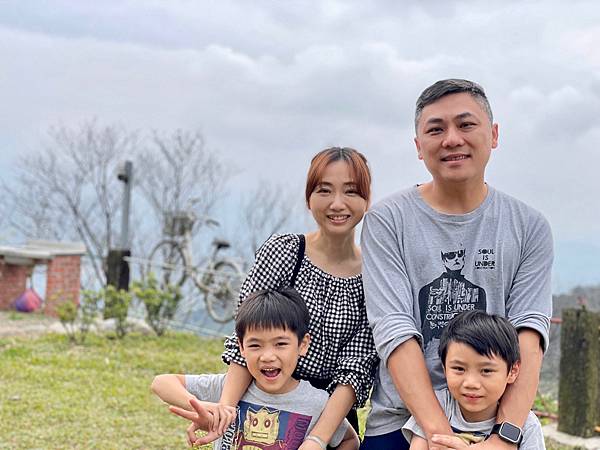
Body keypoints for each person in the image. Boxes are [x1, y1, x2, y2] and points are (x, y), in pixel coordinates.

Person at [360, 79, 553, 450]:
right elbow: (394, 329)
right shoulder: (388, 220)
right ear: (419, 147)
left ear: (493, 135)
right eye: (436, 129)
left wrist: (505, 437)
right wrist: (438, 434)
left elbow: (529, 332)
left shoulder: (528, 227)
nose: (451, 139)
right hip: (401, 421)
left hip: (494, 421)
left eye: (466, 125)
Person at [217, 147, 378, 449]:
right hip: (263, 399)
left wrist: (317, 439)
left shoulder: (374, 275)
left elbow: (355, 369)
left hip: (329, 415)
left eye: (351, 192)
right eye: (324, 190)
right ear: (308, 199)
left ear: (366, 200)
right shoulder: (285, 253)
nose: (337, 203)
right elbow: (246, 336)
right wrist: (226, 406)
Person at [151, 288, 359, 450]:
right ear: (240, 347)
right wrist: (205, 407)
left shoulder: (318, 402)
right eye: (255, 345)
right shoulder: (227, 389)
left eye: (280, 344)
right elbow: (161, 383)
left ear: (302, 345)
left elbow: (350, 440)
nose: (267, 356)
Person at [402, 310, 545, 449]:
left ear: (512, 371)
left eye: (486, 371)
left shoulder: (525, 425)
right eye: (459, 369)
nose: (471, 383)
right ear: (444, 368)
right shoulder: (436, 406)